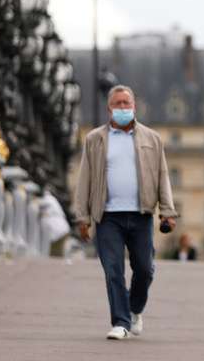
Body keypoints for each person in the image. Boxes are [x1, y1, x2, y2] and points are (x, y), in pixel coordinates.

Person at [73, 85, 178, 340]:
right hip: (107, 215)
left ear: (134, 106)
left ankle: (135, 308)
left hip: (141, 214)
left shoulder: (151, 138)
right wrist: (82, 217)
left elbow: (162, 175)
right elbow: (84, 177)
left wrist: (167, 210)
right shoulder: (95, 139)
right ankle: (120, 322)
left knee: (145, 269)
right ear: (109, 108)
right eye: (118, 103)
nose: (122, 108)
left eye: (126, 103)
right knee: (113, 270)